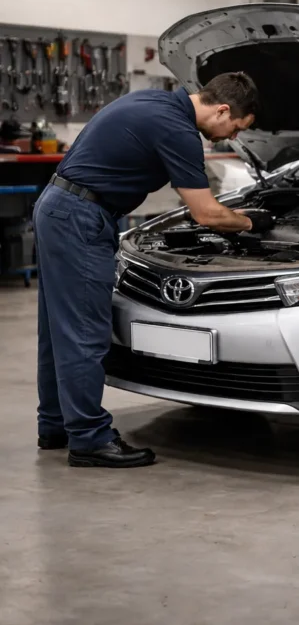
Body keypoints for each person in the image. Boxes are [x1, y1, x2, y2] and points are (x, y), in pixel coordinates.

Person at [34, 72, 273, 468]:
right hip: (80, 218)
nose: (230, 137)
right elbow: (206, 214)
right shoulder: (177, 130)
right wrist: (251, 223)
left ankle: (57, 426)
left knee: (59, 330)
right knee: (84, 333)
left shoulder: (153, 102)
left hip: (61, 207)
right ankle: (90, 440)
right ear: (223, 109)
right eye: (235, 127)